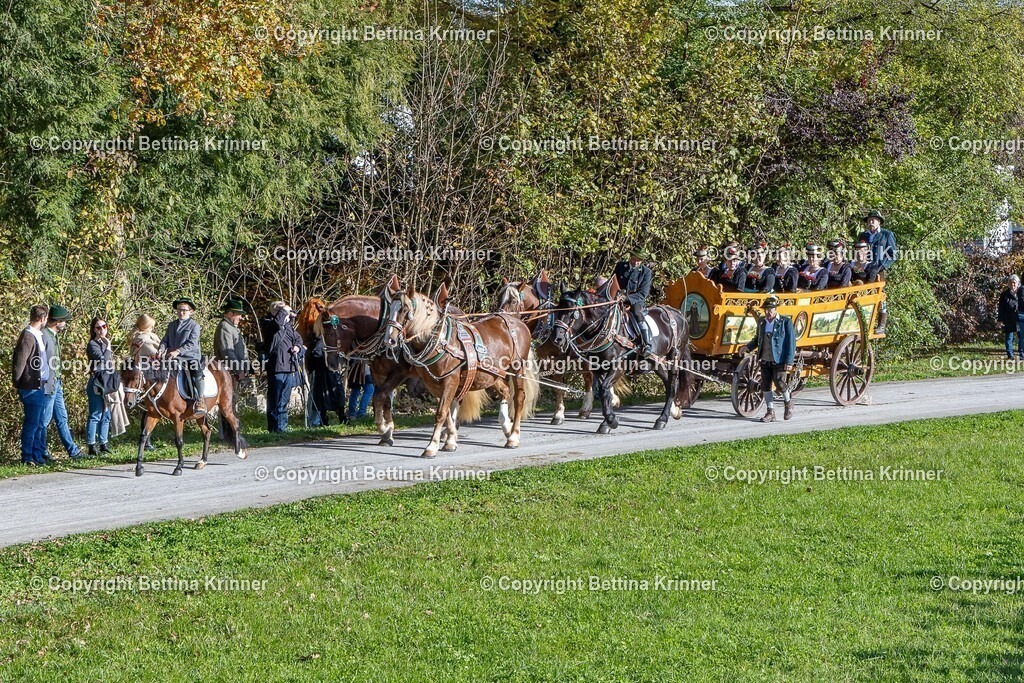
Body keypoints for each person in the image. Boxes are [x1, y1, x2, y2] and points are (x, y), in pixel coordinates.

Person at [745, 295, 796, 423]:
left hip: (779, 359)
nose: (768, 312)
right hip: (765, 358)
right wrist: (747, 347)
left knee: (779, 383)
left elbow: (791, 343)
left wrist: (789, 361)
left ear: (775, 309)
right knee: (765, 385)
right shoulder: (762, 322)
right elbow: (757, 339)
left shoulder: (785, 322)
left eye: (770, 309)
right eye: (766, 310)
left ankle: (788, 403)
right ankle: (770, 412)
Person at [42, 305, 83, 460]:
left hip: (56, 382)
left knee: (62, 418)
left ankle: (73, 451)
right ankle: (41, 451)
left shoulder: (54, 335)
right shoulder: (44, 336)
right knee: (44, 420)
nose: (65, 324)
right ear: (57, 321)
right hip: (48, 384)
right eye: (64, 321)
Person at [12, 305, 50, 466]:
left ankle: (37, 454)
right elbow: (19, 362)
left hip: (40, 385)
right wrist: (18, 383)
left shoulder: (38, 334)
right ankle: (27, 456)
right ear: (42, 318)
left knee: (39, 423)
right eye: (46, 318)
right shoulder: (28, 336)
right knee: (32, 423)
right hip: (30, 386)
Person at [159, 298, 205, 416]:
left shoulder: (194, 326)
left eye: (184, 310)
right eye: (179, 309)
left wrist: (178, 351)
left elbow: (192, 343)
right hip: (172, 356)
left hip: (190, 356)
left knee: (196, 371)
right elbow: (165, 340)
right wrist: (161, 349)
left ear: (191, 311)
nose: (181, 312)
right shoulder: (171, 325)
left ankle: (200, 400)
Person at [262, 301, 303, 432]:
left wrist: (297, 347)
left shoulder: (288, 327)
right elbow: (277, 324)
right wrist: (284, 310)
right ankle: (274, 428)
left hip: (289, 367)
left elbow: (298, 339)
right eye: (283, 312)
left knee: (284, 399)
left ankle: (282, 426)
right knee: (274, 399)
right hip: (276, 368)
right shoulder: (269, 324)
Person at [859, 209, 896, 333]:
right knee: (863, 293)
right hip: (864, 269)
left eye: (873, 220)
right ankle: (864, 321)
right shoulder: (863, 235)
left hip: (879, 270)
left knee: (881, 296)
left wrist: (882, 266)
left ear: (879, 222)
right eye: (869, 220)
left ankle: (881, 325)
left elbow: (892, 255)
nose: (871, 222)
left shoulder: (886, 235)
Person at [613, 249, 654, 357]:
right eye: (634, 259)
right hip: (617, 298)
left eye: (638, 260)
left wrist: (627, 298)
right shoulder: (620, 266)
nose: (635, 262)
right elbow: (613, 283)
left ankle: (647, 344)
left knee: (637, 313)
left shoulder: (646, 272)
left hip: (635, 300)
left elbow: (643, 293)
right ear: (630, 257)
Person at [85, 315, 113, 456]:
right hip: (96, 382)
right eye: (98, 327)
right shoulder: (93, 344)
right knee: (96, 414)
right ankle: (91, 445)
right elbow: (104, 361)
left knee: (106, 414)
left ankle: (104, 443)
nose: (102, 329)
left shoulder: (104, 343)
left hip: (106, 383)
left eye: (104, 326)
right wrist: (108, 346)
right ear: (94, 330)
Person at [214, 298, 249, 380]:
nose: (241, 318)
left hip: (234, 372)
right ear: (230, 314)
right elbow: (227, 352)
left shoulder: (231, 327)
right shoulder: (225, 327)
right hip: (229, 372)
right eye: (239, 314)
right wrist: (239, 370)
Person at [998, 275, 1024, 360]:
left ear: (1018, 283)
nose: (1013, 284)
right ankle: (1010, 355)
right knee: (1009, 337)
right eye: (1011, 282)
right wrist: (1000, 320)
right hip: (1009, 318)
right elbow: (1001, 308)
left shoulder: (1021, 292)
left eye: (1014, 282)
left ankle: (1022, 354)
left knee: (1022, 337)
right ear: (1008, 284)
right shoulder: (1004, 294)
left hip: (1020, 318)